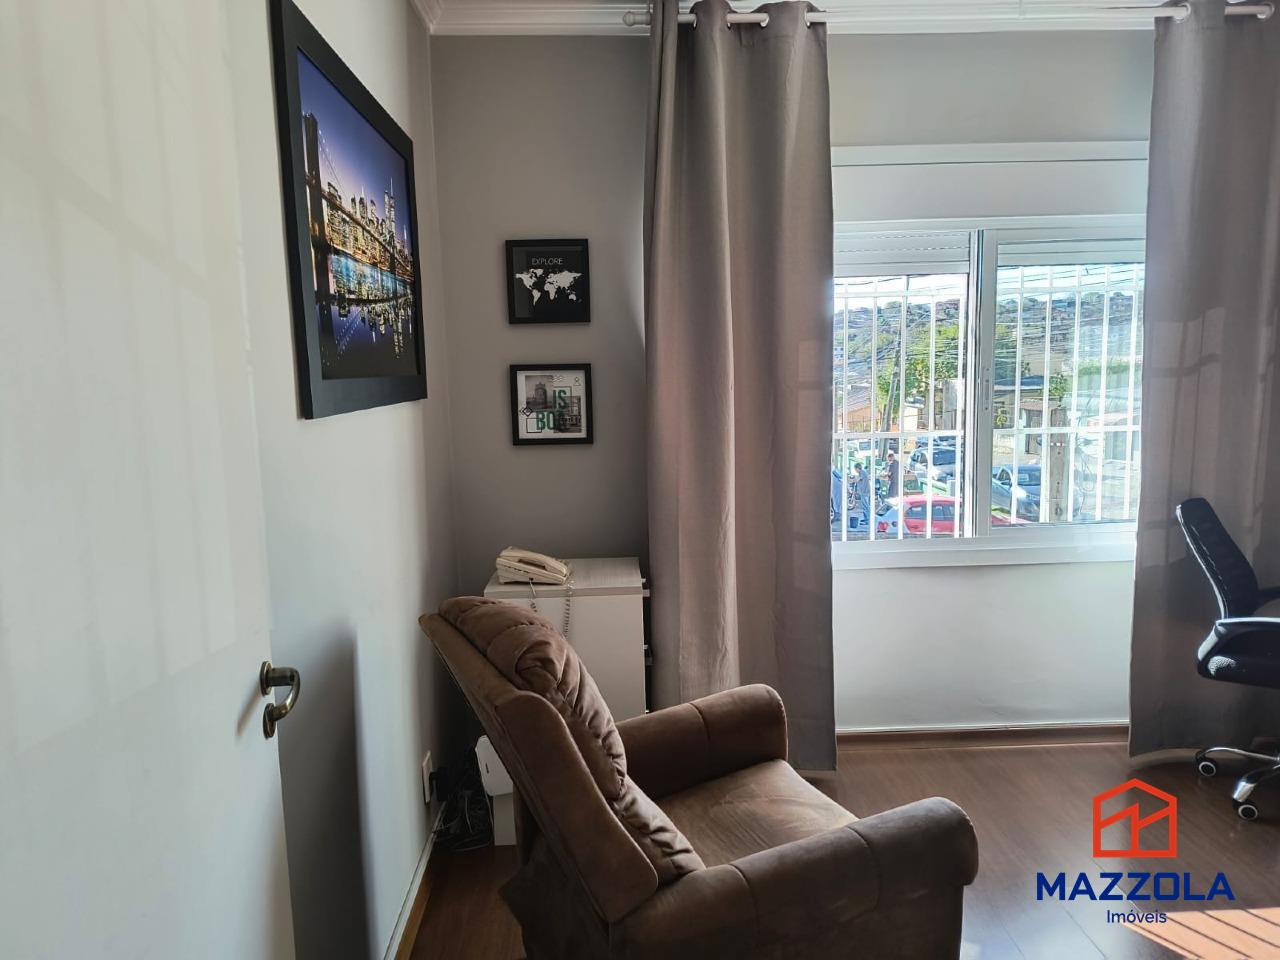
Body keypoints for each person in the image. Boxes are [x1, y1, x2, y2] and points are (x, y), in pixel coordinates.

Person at [851, 462, 871, 529]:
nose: (855, 470)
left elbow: (857, 480)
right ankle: (866, 519)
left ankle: (867, 520)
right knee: (864, 506)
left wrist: (852, 480)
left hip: (865, 492)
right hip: (863, 492)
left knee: (865, 506)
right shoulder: (862, 473)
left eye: (855, 469)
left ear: (857, 468)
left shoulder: (862, 472)